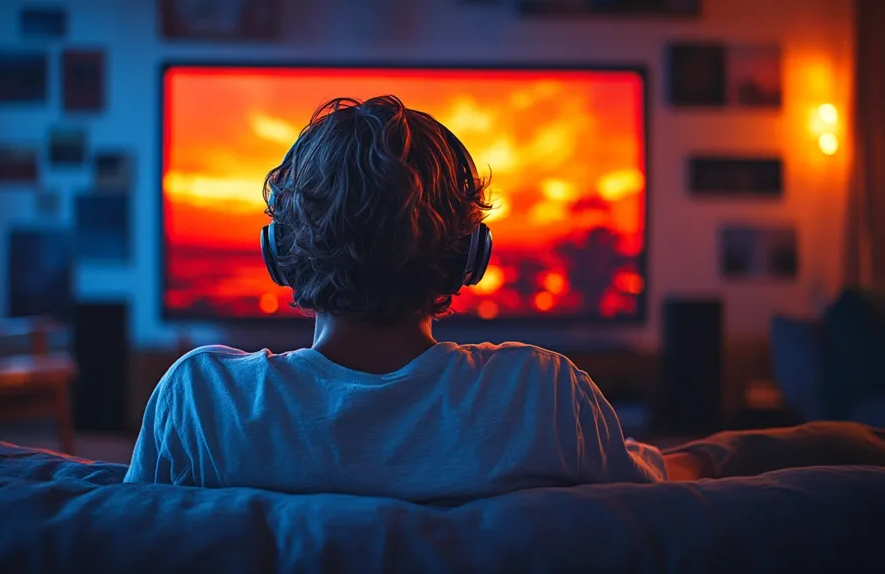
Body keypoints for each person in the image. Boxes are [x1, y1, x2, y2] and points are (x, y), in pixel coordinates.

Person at [125, 95, 681, 500]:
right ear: (470, 255)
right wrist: (713, 454)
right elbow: (651, 493)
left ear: (280, 252)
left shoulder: (200, 399)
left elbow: (130, 533)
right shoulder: (544, 395)